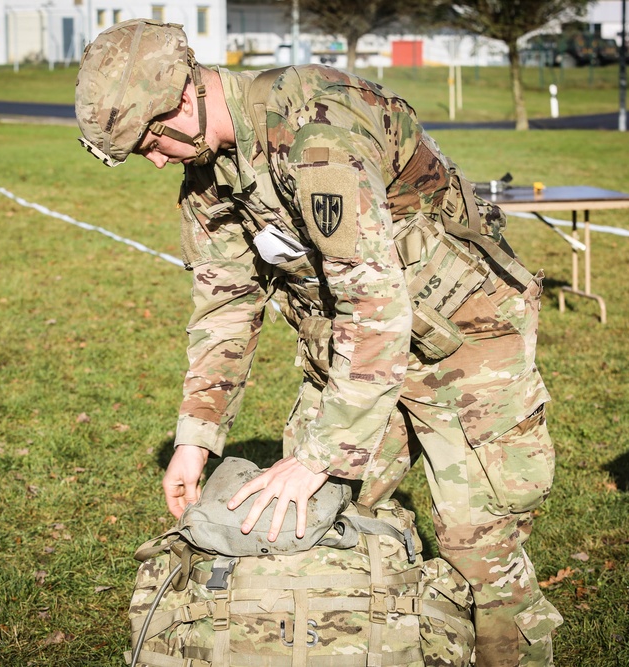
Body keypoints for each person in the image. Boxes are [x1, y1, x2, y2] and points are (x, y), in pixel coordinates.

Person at [76, 19, 561, 665]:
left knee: (479, 547)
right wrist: (196, 437)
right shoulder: (209, 181)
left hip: (468, 347)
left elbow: (374, 297)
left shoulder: (317, 135)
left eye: (153, 140)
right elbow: (224, 307)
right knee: (305, 524)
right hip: (358, 353)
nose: (158, 158)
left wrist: (320, 453)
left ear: (185, 97)